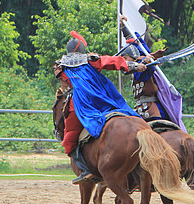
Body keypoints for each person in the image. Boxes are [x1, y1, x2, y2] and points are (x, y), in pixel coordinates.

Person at [54, 31, 146, 184]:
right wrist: (135, 66)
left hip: (78, 103)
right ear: (82, 49)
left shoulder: (60, 66)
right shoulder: (91, 60)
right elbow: (111, 62)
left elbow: (64, 85)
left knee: (71, 134)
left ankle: (84, 169)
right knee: (123, 112)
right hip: (101, 98)